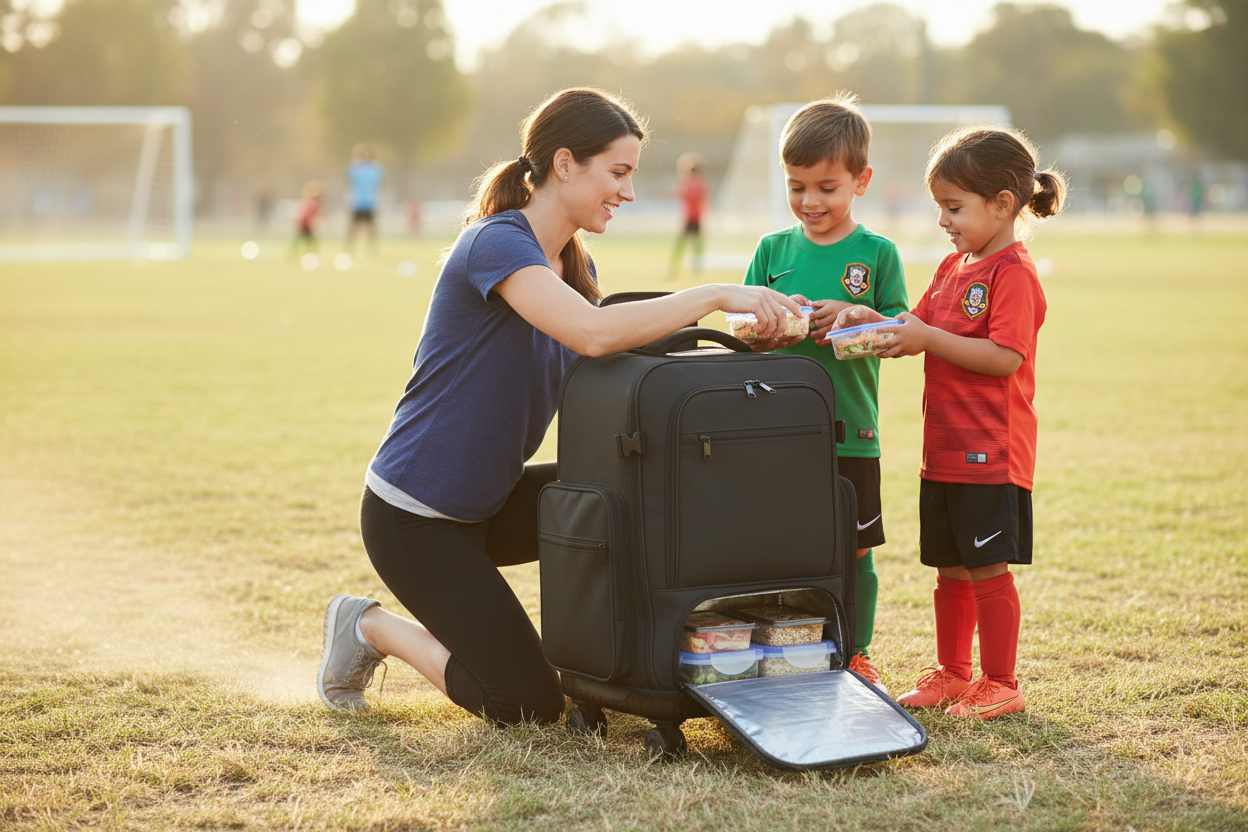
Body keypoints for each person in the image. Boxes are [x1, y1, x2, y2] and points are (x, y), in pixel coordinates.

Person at [315, 87, 802, 725]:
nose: (627, 191)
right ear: (566, 163)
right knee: (523, 705)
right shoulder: (495, 243)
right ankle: (368, 627)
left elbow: (615, 344)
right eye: (618, 172)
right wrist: (713, 293)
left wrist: (739, 335)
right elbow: (593, 332)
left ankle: (630, 664)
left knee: (633, 500)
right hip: (417, 518)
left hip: (488, 502)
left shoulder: (571, 262)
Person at [829, 126, 1067, 719]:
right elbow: (914, 327)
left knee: (987, 566)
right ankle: (955, 673)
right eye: (941, 207)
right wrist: (867, 320)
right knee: (950, 567)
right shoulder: (952, 266)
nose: (944, 220)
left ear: (1004, 205)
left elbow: (1005, 358)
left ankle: (1002, 681)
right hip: (944, 450)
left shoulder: (1012, 273)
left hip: (993, 451)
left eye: (954, 207)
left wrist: (926, 335)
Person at [741, 93, 909, 693]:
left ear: (860, 182)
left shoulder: (878, 254)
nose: (811, 202)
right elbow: (743, 336)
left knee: (855, 551)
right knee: (783, 547)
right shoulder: (771, 251)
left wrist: (855, 317)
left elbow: (898, 333)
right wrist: (764, 330)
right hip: (775, 431)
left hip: (851, 433)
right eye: (796, 187)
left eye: (827, 188)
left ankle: (857, 653)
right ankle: (792, 649)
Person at [666, 151, 708, 278]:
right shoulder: (701, 183)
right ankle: (697, 269)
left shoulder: (690, 183)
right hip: (697, 218)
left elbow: (681, 193)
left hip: (690, 218)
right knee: (696, 246)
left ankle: (673, 268)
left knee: (681, 245)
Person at [345, 143, 384, 254]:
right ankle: (349, 249)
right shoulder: (354, 168)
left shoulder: (375, 169)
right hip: (357, 202)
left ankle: (372, 249)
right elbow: (350, 184)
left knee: (371, 228)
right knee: (353, 227)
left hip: (370, 202)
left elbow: (379, 185)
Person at [289, 179, 322, 261]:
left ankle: (313, 256)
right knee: (299, 241)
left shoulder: (315, 203)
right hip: (303, 225)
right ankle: (294, 256)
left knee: (311, 242)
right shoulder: (307, 202)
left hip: (308, 225)